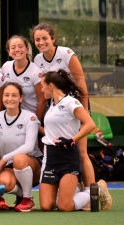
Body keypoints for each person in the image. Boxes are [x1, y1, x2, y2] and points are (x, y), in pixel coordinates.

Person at [30, 23, 111, 208]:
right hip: (55, 106)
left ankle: (94, 193)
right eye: (37, 39)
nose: (41, 42)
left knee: (81, 152)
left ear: (53, 38)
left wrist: (84, 109)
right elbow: (42, 86)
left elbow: (81, 81)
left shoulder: (66, 53)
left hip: (74, 105)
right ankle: (72, 192)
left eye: (45, 38)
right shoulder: (37, 58)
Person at [0, 82, 43, 212]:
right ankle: (21, 195)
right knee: (4, 183)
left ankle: (27, 199)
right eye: (6, 95)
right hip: (10, 165)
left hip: (32, 164)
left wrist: (5, 158)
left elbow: (29, 146)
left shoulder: (30, 117)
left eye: (14, 95)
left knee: (19, 158)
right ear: (2, 98)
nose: (10, 99)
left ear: (21, 98)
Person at [38, 70, 98, 212]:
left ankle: (97, 190)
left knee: (65, 207)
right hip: (50, 157)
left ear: (51, 86)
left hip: (68, 156)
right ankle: (74, 192)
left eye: (42, 86)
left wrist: (72, 139)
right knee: (46, 206)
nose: (41, 90)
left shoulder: (71, 102)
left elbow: (90, 124)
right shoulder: (51, 104)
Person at [0, 35, 46, 122]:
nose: (17, 50)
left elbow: (42, 101)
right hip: (11, 118)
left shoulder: (36, 72)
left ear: (27, 49)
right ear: (9, 52)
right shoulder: (6, 67)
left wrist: (36, 123)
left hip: (31, 118)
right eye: (13, 47)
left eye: (20, 46)